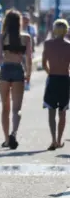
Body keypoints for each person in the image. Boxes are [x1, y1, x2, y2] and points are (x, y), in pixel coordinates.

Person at [0, 9, 32, 150]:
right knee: (17, 109)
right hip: (17, 70)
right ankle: (13, 133)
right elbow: (28, 59)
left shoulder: (1, 37)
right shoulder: (26, 38)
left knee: (5, 108)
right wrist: (28, 74)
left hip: (5, 70)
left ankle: (6, 139)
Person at [42, 19, 70, 150]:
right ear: (66, 31)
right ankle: (59, 140)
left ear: (54, 30)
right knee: (63, 111)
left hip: (52, 78)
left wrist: (50, 72)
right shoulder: (68, 46)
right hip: (65, 79)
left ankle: (53, 139)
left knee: (51, 111)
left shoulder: (47, 44)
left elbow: (43, 64)